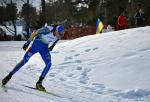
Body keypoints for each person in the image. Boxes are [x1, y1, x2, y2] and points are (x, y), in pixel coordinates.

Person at [1, 24, 64, 91]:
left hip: (44, 48)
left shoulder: (58, 35)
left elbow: (56, 40)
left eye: (62, 34)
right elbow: (34, 32)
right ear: (56, 31)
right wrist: (27, 43)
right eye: (60, 34)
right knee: (24, 61)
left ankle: (39, 83)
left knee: (49, 64)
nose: (60, 36)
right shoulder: (47, 30)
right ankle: (9, 76)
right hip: (36, 45)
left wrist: (52, 46)